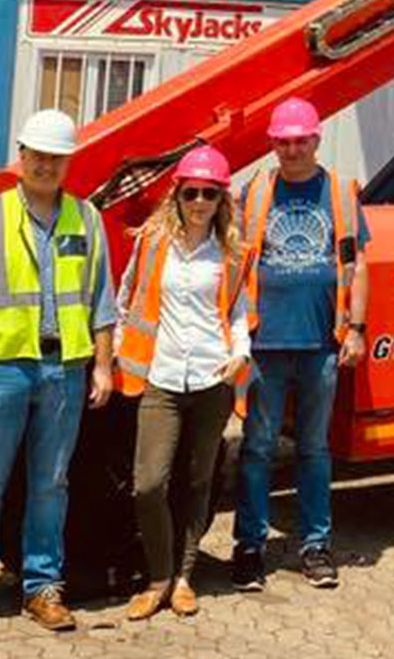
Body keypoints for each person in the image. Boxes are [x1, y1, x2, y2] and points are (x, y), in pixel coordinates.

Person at [0, 109, 118, 642]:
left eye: (55, 157)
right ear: (21, 156)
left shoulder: (85, 219)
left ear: (67, 163)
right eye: (37, 155)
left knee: (51, 485)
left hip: (65, 368)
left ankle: (43, 587)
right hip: (1, 368)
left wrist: (103, 365)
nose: (45, 165)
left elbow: (100, 300)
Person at [231, 97, 370, 591]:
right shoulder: (254, 191)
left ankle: (314, 546)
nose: (291, 150)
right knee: (258, 448)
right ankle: (248, 546)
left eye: (300, 141)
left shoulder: (339, 192)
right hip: (264, 342)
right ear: (273, 144)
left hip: (320, 345)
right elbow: (231, 256)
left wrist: (356, 328)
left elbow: (358, 265)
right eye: (283, 142)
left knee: (313, 448)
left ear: (316, 140)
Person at [114, 146, 252, 620]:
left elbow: (237, 310)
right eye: (190, 192)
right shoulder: (153, 243)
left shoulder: (232, 252)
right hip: (162, 379)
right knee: (149, 484)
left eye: (208, 193)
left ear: (221, 200)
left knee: (198, 481)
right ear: (177, 195)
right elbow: (126, 296)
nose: (198, 201)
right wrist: (116, 350)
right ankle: (158, 577)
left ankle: (185, 577)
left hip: (213, 379)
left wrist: (240, 352)